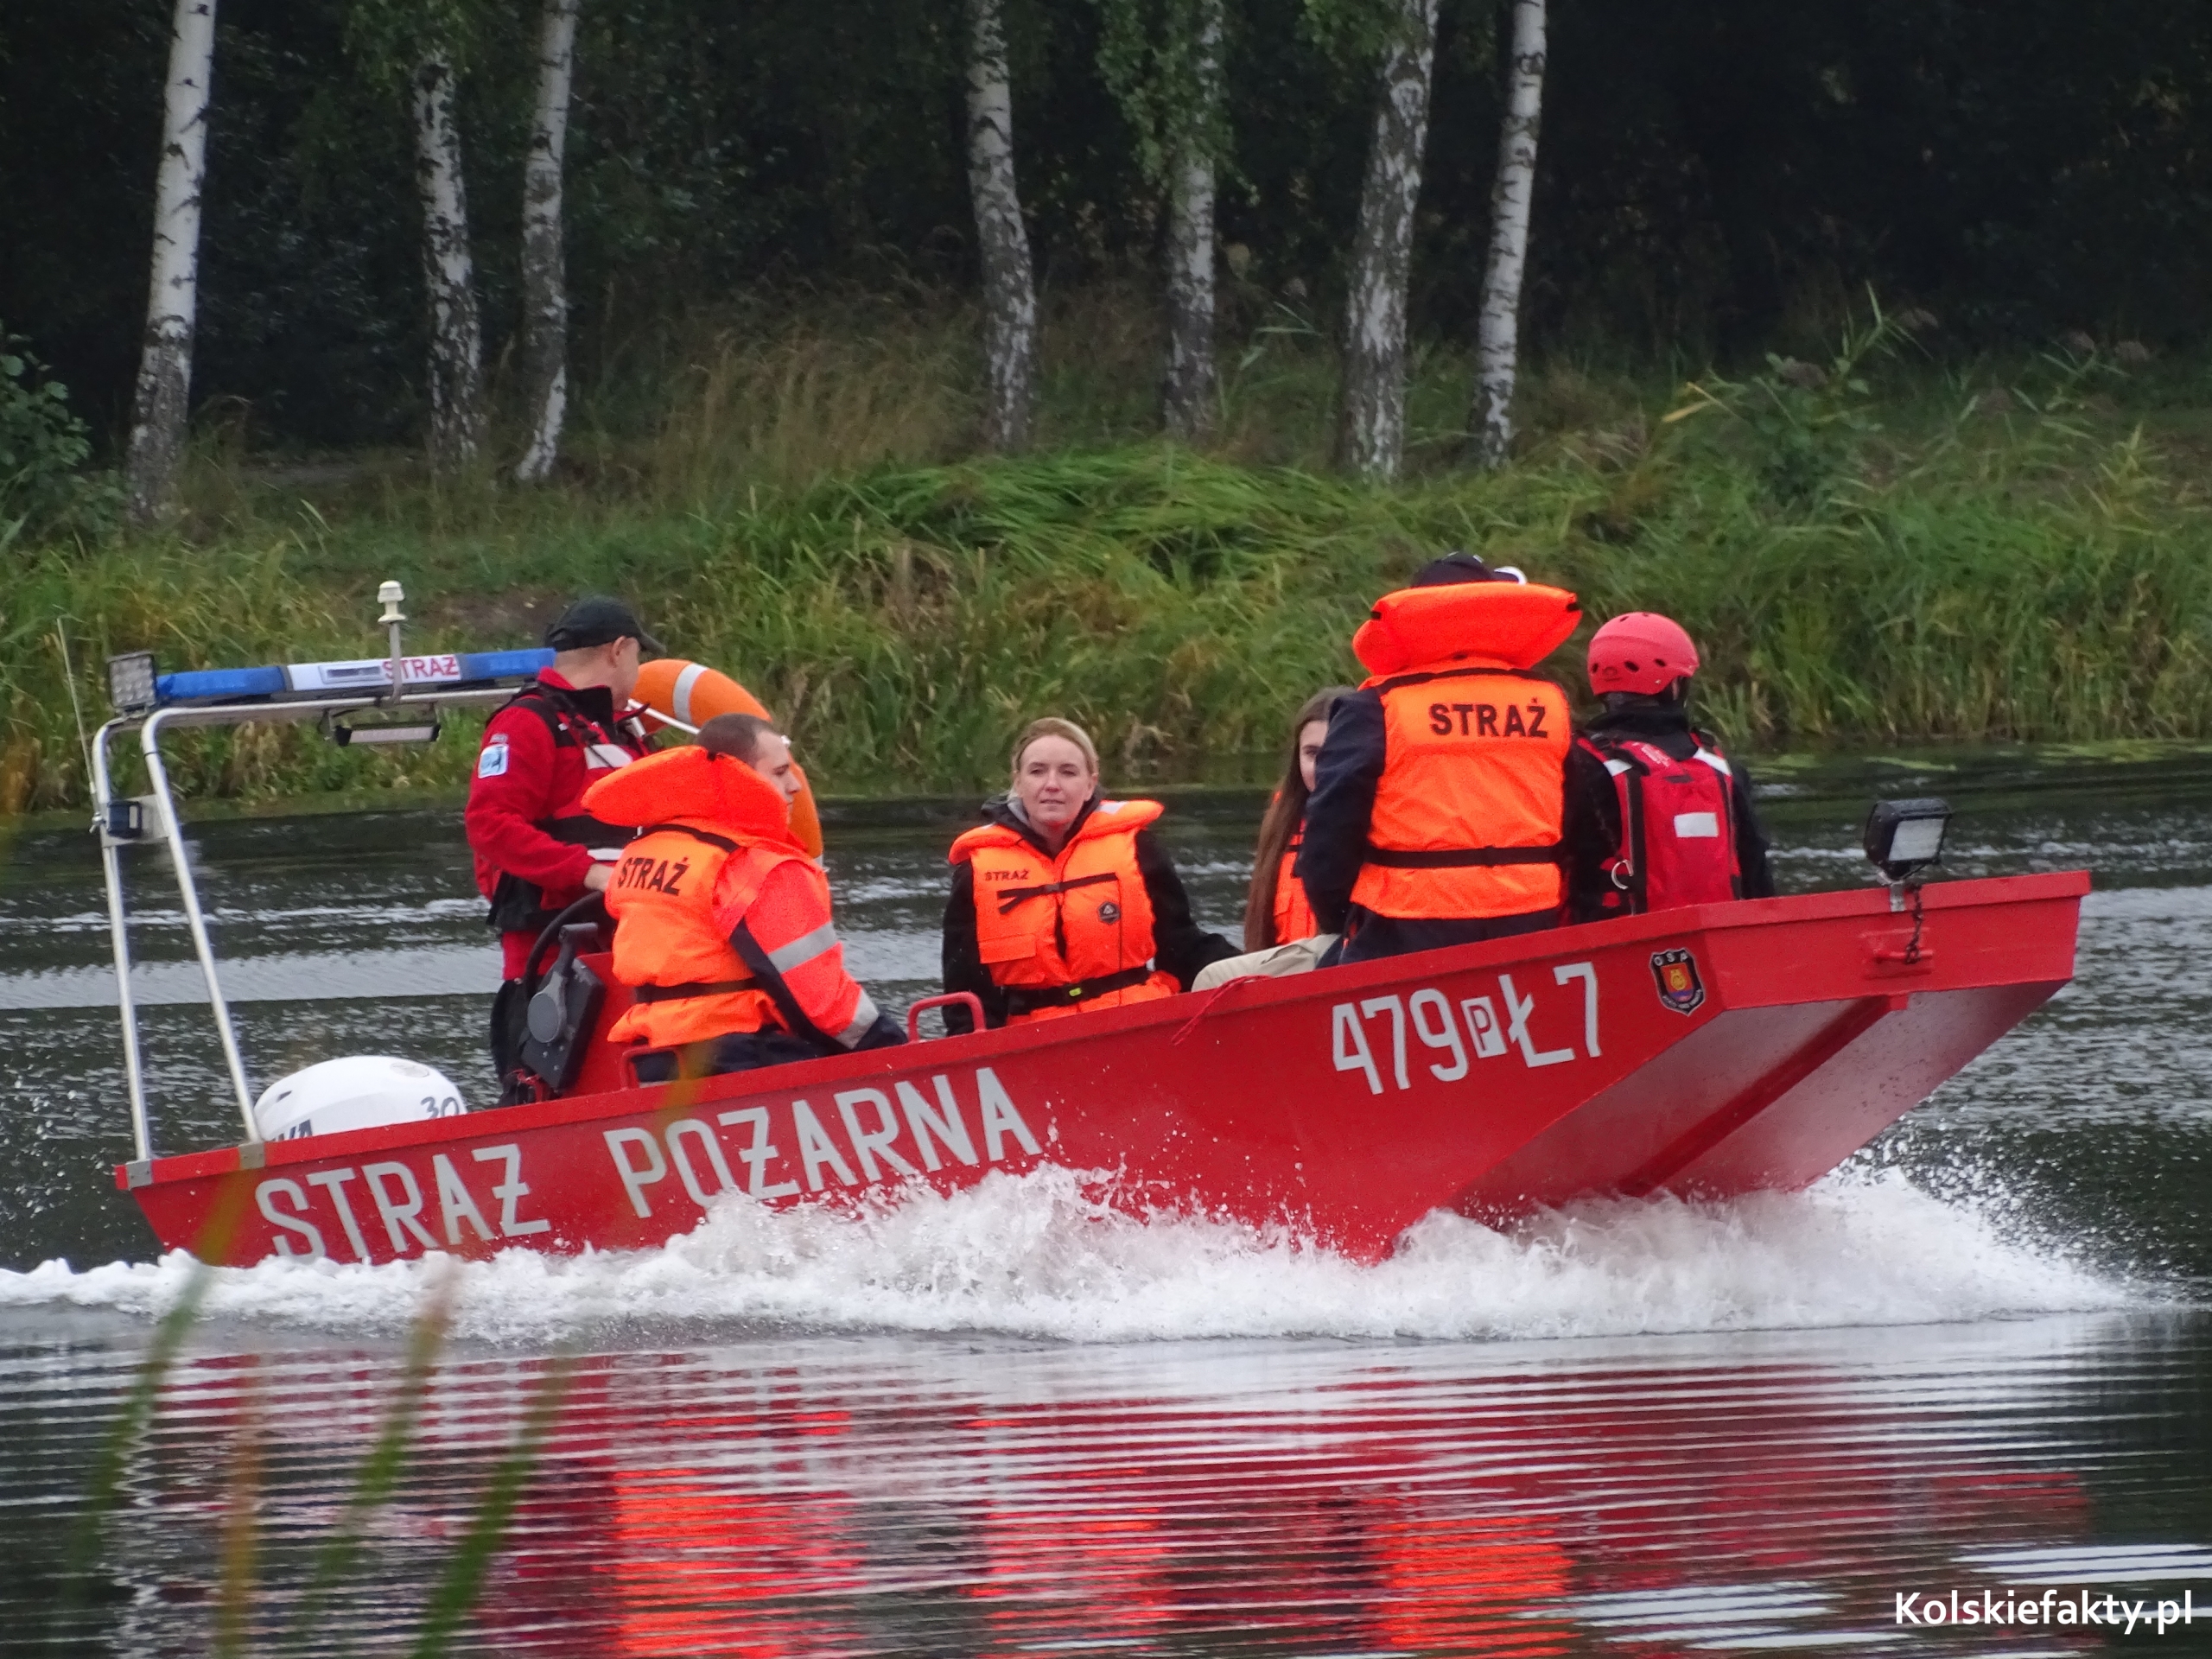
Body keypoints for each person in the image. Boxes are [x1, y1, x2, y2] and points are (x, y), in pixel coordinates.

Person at [1299, 553, 1589, 964]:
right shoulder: (1548, 702)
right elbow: (1574, 820)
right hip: (1527, 922)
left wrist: (1338, 919)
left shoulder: (1376, 707)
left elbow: (1330, 834)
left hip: (1404, 929)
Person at [582, 712, 904, 1079]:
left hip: (654, 1057)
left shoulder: (644, 852)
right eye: (779, 773)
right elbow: (821, 997)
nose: (795, 786)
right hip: (736, 1053)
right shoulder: (757, 864)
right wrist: (895, 1049)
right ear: (738, 777)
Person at [468, 595, 659, 1096]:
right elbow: (490, 824)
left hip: (635, 948)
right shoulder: (526, 723)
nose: (638, 671)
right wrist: (589, 873)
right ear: (619, 650)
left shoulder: (624, 732)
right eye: (638, 656)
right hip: (555, 960)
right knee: (550, 1095)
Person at [942, 718, 1236, 1028]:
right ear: (1018, 782)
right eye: (1037, 771)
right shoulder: (976, 872)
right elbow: (966, 997)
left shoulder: (1138, 848)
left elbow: (1180, 946)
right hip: (1036, 1038)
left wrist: (1246, 968)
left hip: (1136, 1026)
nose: (1052, 784)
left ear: (1090, 784)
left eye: (1068, 772)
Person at [1564, 612, 1774, 922]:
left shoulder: (1578, 763)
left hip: (1614, 942)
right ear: (1675, 685)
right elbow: (1758, 877)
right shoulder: (1723, 767)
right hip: (1717, 939)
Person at [1186, 688, 1354, 993]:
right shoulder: (1282, 821)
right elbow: (1262, 927)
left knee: (1212, 979)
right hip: (1290, 977)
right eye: (1312, 753)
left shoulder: (1381, 819)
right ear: (1297, 758)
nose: (1323, 767)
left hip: (1347, 973)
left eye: (1336, 752)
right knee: (1213, 982)